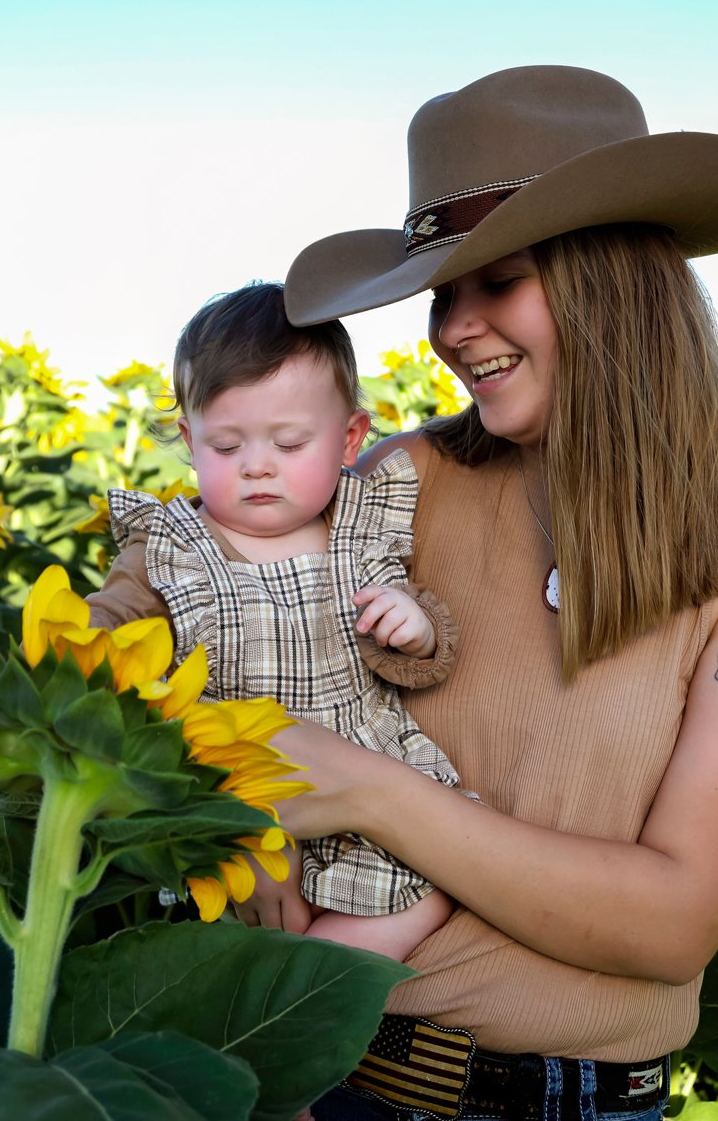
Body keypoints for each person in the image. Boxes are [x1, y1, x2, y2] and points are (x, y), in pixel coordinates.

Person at [254, 65, 718, 1120]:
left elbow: (671, 924)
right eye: (440, 294)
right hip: (325, 1079)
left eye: (496, 280)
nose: (452, 328)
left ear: (609, 277)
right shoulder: (401, 482)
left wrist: (375, 793)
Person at [86, 282, 462, 961]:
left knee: (436, 882)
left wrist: (416, 627)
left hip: (367, 780)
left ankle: (325, 980)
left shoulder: (361, 527)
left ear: (350, 437)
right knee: (229, 936)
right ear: (188, 437)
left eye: (289, 443)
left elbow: (422, 658)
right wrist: (84, 642)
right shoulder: (168, 546)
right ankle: (268, 994)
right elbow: (105, 629)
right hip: (235, 791)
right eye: (226, 445)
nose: (257, 466)